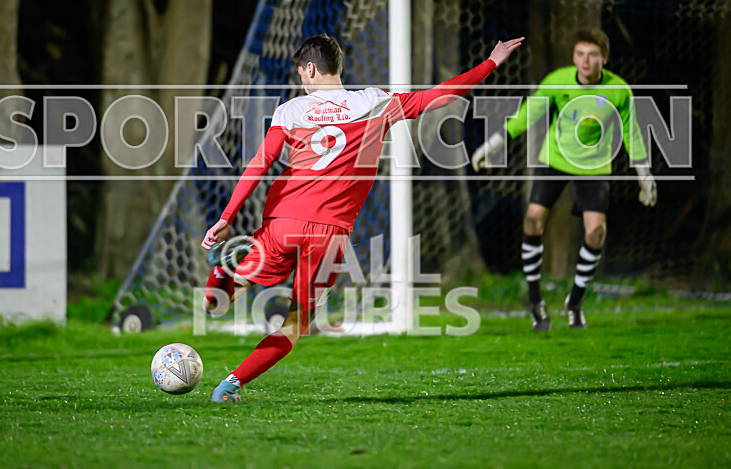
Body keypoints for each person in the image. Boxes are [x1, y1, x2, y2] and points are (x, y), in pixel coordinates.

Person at [202, 33, 524, 402]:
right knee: (296, 323)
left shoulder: (291, 110)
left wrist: (227, 216)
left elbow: (260, 163)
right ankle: (230, 385)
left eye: (300, 73)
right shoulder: (375, 102)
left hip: (283, 223)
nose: (301, 81)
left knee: (224, 300)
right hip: (329, 235)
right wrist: (491, 62)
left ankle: (223, 276)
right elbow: (440, 96)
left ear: (310, 69)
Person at [471, 27, 656, 331]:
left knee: (596, 233)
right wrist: (494, 143)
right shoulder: (557, 82)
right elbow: (527, 115)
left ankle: (575, 301)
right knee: (532, 220)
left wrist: (644, 174)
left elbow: (631, 133)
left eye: (593, 55)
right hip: (555, 160)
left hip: (594, 167)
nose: (585, 61)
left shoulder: (619, 90)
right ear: (574, 57)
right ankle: (535, 300)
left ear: (604, 59)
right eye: (580, 54)